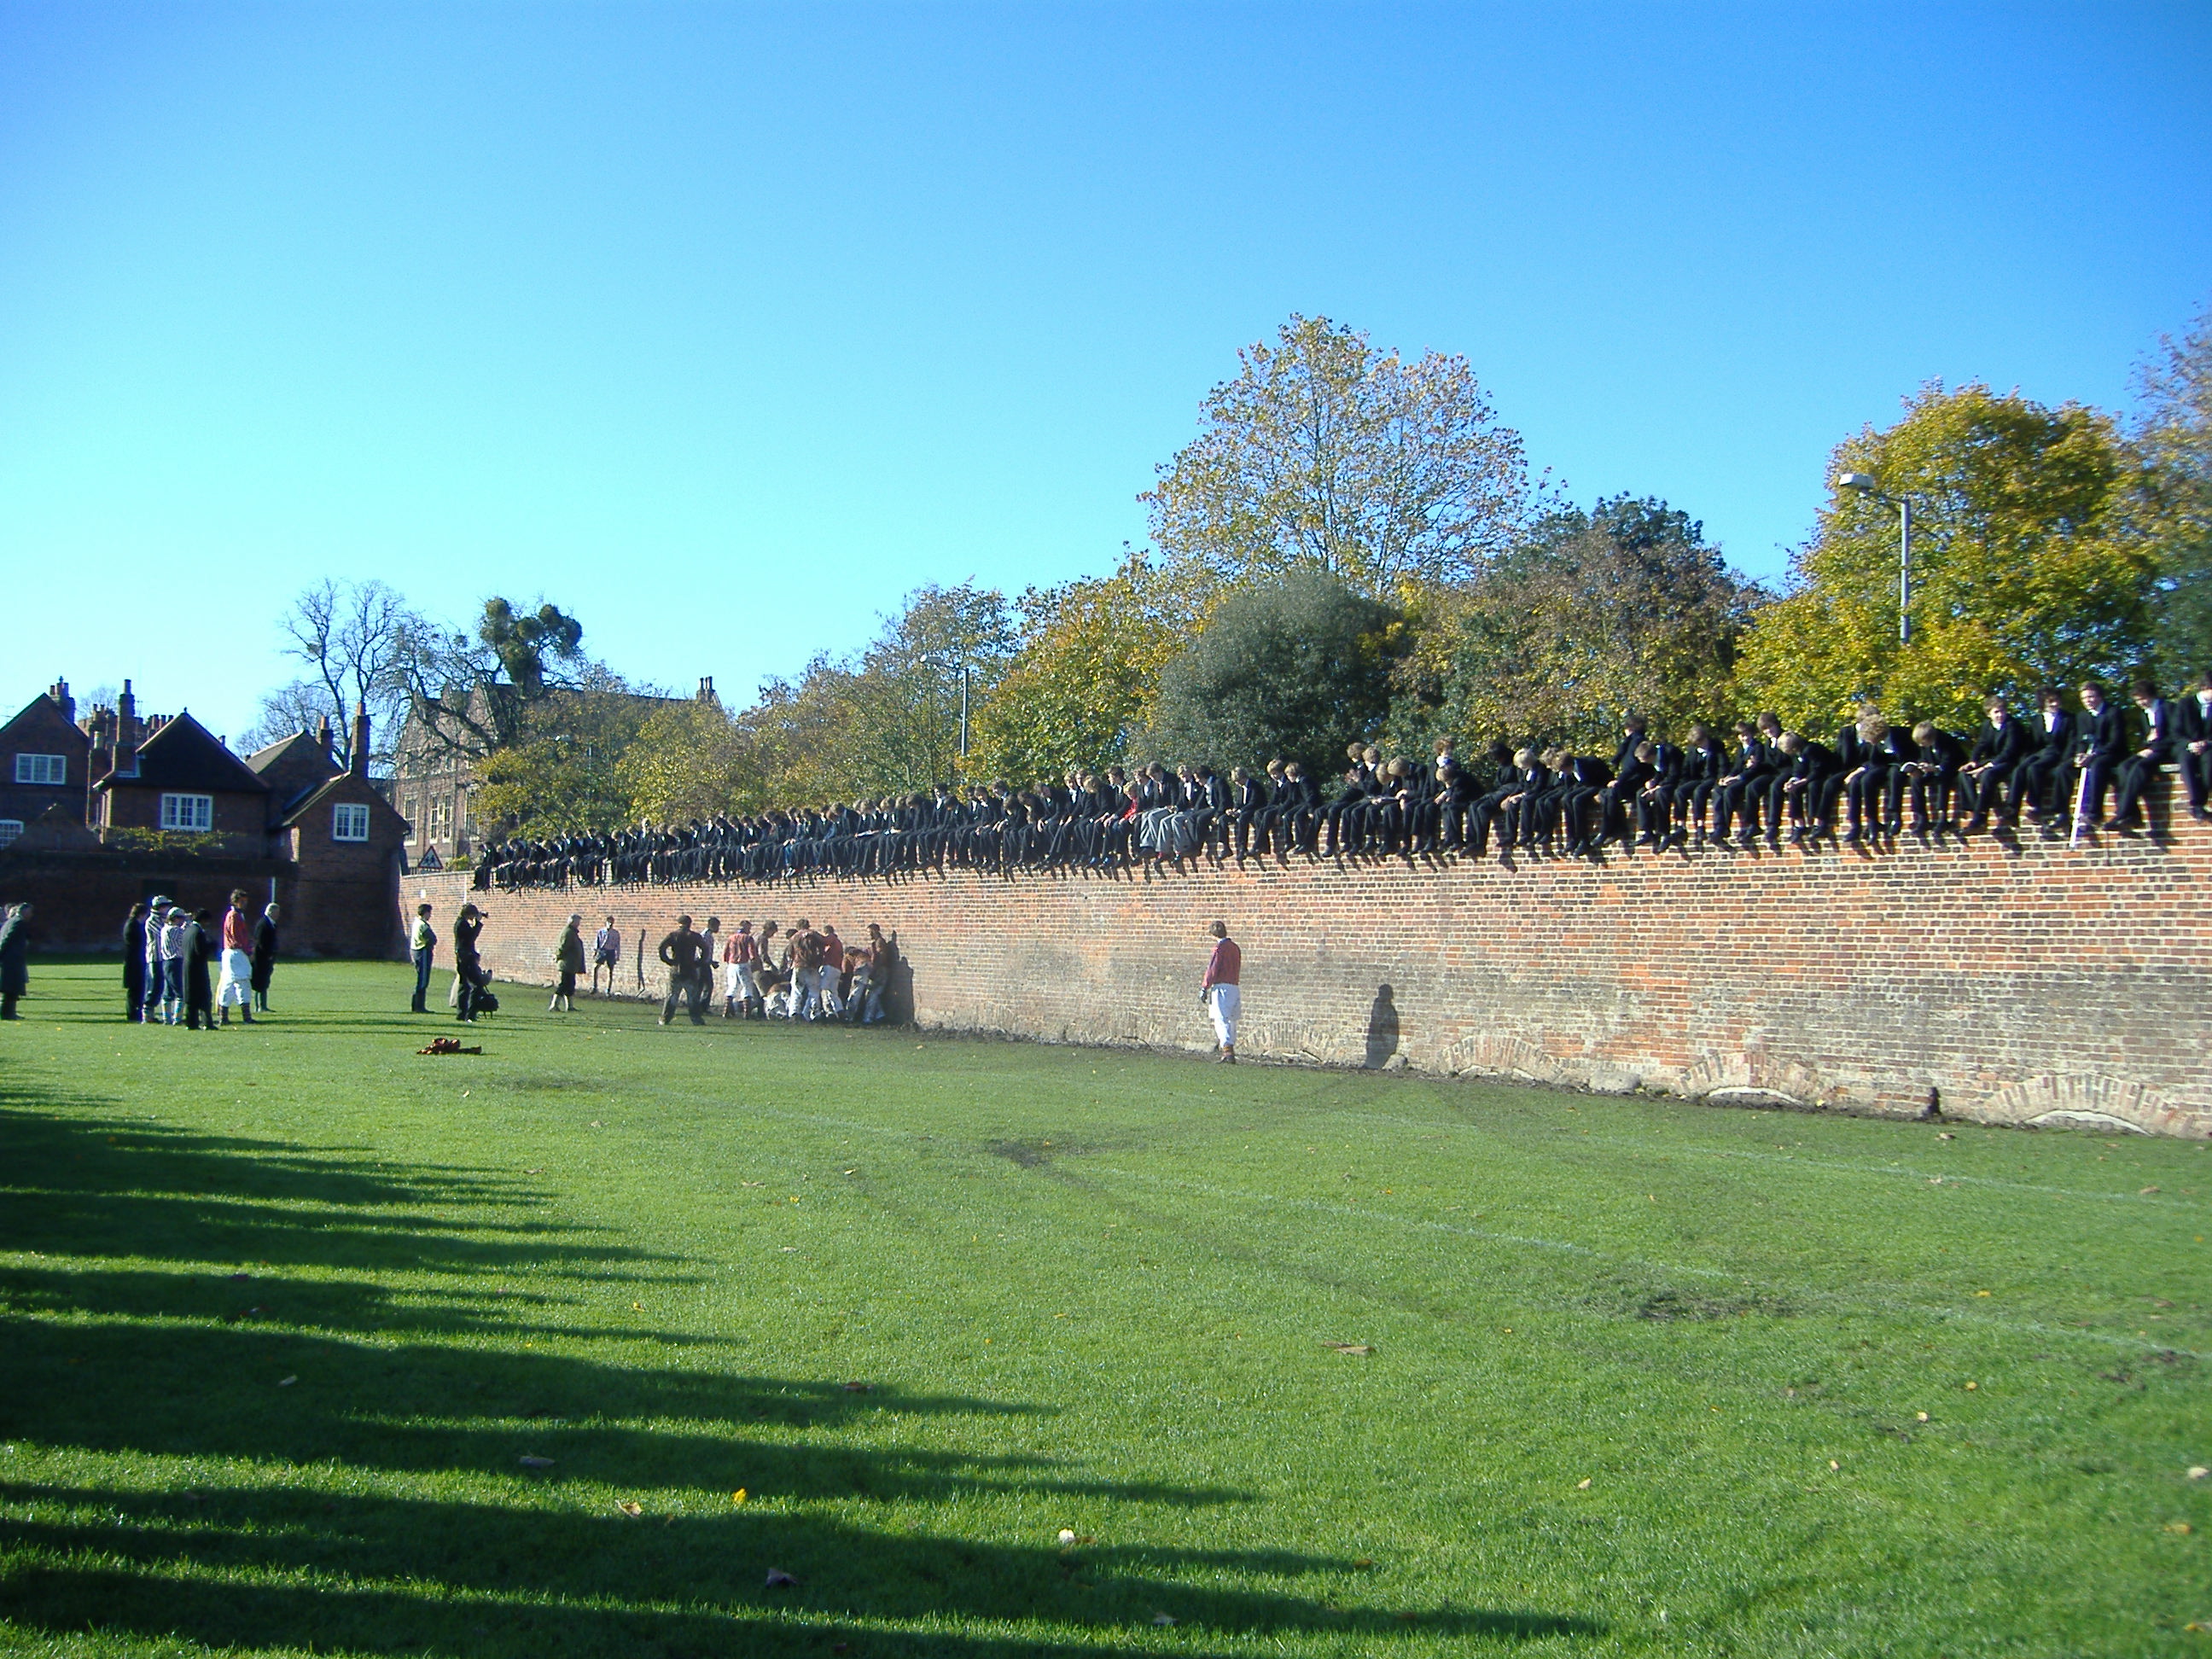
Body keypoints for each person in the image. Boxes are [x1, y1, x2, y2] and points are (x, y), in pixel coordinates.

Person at [2106, 678, 2174, 834]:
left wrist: (2155, 747)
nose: (2141, 703)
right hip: (2150, 749)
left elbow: (2175, 735)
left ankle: (2122, 813)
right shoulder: (2144, 715)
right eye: (2138, 700)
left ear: (2152, 695)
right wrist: (2146, 746)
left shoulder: (2169, 709)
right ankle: (2133, 815)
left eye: (2143, 698)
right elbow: (2147, 737)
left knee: (2140, 767)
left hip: (2166, 750)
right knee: (2124, 767)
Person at [657, 913, 709, 1026]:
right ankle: (696, 1019)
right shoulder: (694, 936)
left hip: (676, 969)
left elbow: (662, 948)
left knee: (672, 995)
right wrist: (699, 962)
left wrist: (669, 961)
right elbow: (705, 949)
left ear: (679, 924)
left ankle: (665, 1018)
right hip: (690, 969)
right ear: (690, 924)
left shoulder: (673, 935)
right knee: (693, 997)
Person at [1200, 918, 1240, 1063]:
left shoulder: (1219, 949)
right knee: (1231, 1020)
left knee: (1220, 1019)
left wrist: (1205, 986)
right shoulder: (1235, 948)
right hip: (1234, 986)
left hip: (1222, 987)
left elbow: (1213, 969)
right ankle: (1231, 1048)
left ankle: (1227, 1051)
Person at [216, 889, 256, 1025]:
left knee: (229, 984)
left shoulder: (235, 915)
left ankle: (224, 1016)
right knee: (242, 983)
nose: (244, 904)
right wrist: (249, 950)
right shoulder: (234, 916)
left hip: (231, 953)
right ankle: (245, 1017)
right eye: (242, 901)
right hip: (236, 952)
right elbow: (237, 937)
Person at [2182, 669, 2212, 824]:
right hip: (2186, 745)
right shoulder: (2185, 704)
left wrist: (2206, 743)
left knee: (2209, 763)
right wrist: (2190, 744)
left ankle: (2201, 801)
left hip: (2209, 747)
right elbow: (2175, 730)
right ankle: (2196, 803)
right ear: (2205, 688)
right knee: (2186, 761)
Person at [453, 902, 486, 1022]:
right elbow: (471, 937)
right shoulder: (462, 924)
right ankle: (470, 1014)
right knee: (477, 985)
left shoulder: (460, 923)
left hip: (463, 957)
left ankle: (461, 1014)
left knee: (464, 986)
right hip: (466, 958)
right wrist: (477, 924)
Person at [183, 909, 217, 1032]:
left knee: (191, 998)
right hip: (198, 969)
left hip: (187, 968)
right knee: (204, 996)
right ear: (203, 920)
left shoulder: (188, 931)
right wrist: (211, 946)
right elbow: (201, 951)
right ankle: (207, 1022)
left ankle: (191, 1023)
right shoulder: (199, 932)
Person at [159, 905, 191, 1025]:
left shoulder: (164, 929)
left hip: (166, 962)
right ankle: (177, 1018)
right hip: (175, 961)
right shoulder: (173, 930)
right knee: (180, 992)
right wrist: (188, 922)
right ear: (176, 918)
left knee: (168, 992)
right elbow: (184, 938)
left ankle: (166, 1018)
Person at [0, 901, 31, 1020]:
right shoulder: (19, 923)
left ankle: (8, 1013)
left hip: (10, 960)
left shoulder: (11, 921)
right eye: (29, 912)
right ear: (24, 911)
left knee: (10, 988)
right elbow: (7, 939)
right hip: (12, 961)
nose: (31, 915)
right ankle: (8, 1013)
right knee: (12, 989)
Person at [121, 902, 149, 1022]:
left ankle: (135, 1013)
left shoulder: (133, 924)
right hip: (134, 963)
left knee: (137, 990)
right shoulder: (133, 925)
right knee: (135, 990)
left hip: (135, 962)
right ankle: (133, 1014)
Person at [250, 902, 280, 1012]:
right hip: (262, 958)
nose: (278, 915)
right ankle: (259, 1006)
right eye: (276, 912)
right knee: (260, 982)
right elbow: (260, 942)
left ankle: (263, 1005)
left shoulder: (272, 924)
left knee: (265, 981)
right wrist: (268, 955)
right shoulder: (263, 924)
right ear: (271, 912)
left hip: (268, 958)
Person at [551, 913, 584, 1012]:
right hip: (567, 964)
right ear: (572, 922)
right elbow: (563, 947)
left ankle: (570, 1006)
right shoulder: (568, 933)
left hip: (571, 964)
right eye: (578, 921)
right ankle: (554, 1005)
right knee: (564, 984)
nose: (579, 924)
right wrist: (558, 956)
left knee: (570, 985)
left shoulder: (572, 932)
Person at [409, 904, 438, 1012]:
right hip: (423, 951)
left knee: (421, 978)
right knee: (423, 980)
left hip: (416, 951)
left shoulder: (416, 922)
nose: (430, 915)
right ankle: (419, 1006)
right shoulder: (423, 925)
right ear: (426, 913)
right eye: (429, 913)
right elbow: (432, 939)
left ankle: (416, 1005)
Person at [591, 916, 622, 996]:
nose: (610, 925)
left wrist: (617, 955)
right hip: (602, 950)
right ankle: (594, 986)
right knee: (595, 967)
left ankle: (608, 990)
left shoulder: (615, 933)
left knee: (610, 970)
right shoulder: (601, 931)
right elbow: (597, 942)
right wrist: (595, 951)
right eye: (609, 923)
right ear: (606, 923)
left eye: (612, 923)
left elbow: (617, 945)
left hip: (610, 951)